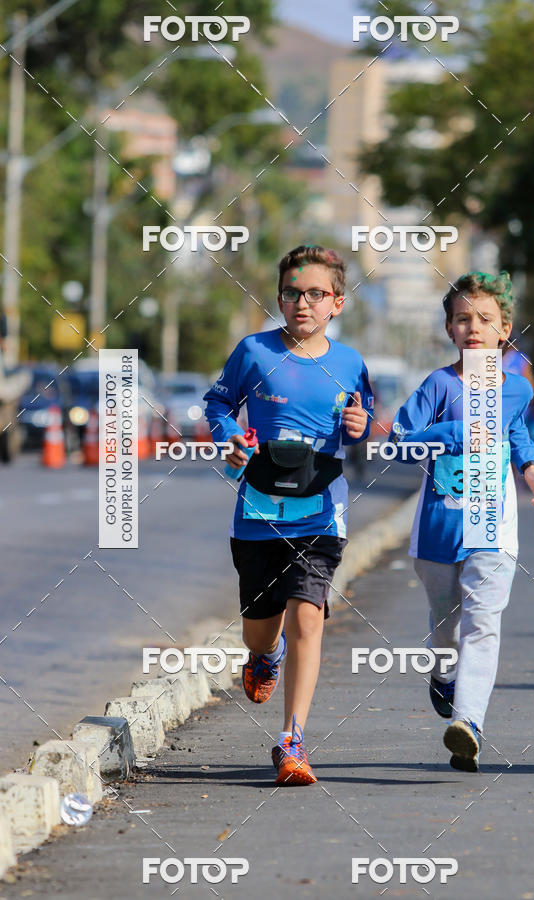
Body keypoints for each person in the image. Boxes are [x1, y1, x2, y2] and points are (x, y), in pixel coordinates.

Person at [204, 244, 373, 786]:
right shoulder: (253, 351)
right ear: (279, 298)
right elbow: (218, 403)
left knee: (308, 614)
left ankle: (292, 740)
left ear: (337, 303)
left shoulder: (350, 363)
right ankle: (265, 655)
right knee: (259, 634)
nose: (303, 303)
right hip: (258, 513)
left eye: (316, 294)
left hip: (321, 513)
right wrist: (230, 437)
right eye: (292, 293)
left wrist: (359, 427)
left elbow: (362, 418)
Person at [389, 271, 534, 772]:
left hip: (492, 525)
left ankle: (468, 724)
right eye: (463, 319)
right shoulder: (438, 385)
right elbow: (399, 442)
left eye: (485, 319)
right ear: (449, 329)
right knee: (447, 626)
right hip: (439, 528)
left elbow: (514, 428)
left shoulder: (517, 388)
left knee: (483, 623)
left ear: (505, 329)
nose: (474, 328)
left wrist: (529, 467)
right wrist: (454, 433)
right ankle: (443, 675)